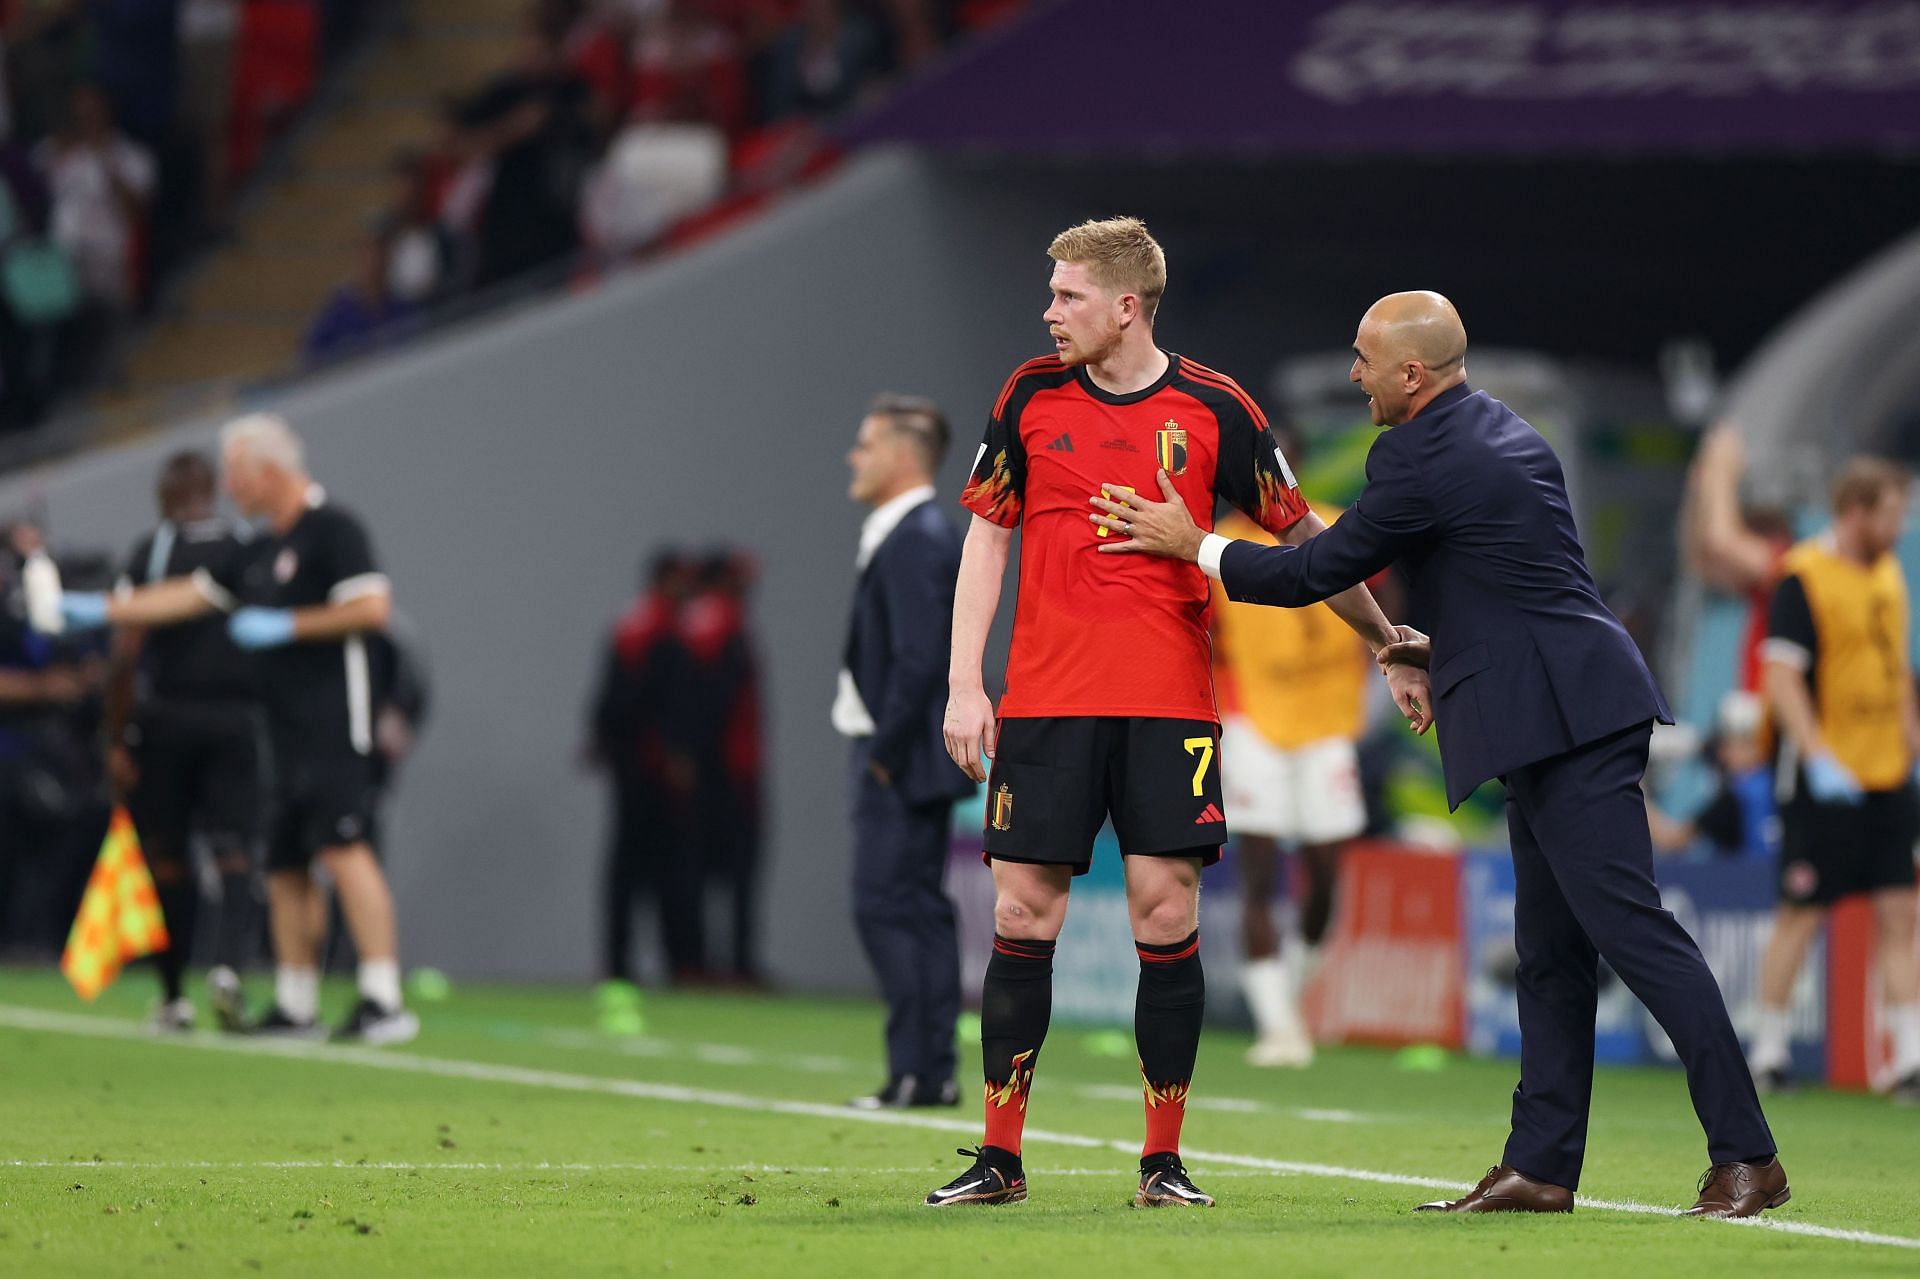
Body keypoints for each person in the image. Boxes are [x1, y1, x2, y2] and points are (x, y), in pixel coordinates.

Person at [1092, 290, 1784, 1219]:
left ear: (1411, 373)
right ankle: (1540, 1167)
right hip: (1563, 701)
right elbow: (1515, 583)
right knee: (1549, 953)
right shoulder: (1502, 430)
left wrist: (1197, 544)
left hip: (1567, 715)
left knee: (1633, 932)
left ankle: (1748, 1158)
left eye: (1364, 358)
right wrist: (1429, 649)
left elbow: (1310, 571)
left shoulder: (1420, 455)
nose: (1353, 374)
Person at [929, 218, 1429, 1211]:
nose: (1050, 311)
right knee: (1025, 914)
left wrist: (1383, 636)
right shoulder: (1028, 395)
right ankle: (999, 1154)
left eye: (1067, 295)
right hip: (1048, 703)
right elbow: (988, 539)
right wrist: (965, 683)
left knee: (1168, 913)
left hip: (1168, 710)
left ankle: (1163, 1159)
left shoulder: (1215, 409)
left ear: (1126, 305)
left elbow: (1306, 537)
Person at [48, 413, 418, 1045]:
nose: (229, 486)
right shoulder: (258, 546)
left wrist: (289, 626)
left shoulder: (333, 529)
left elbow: (371, 607)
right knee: (284, 863)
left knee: (342, 848)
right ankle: (297, 1003)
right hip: (277, 727)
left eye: (236, 473)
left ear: (268, 471)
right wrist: (105, 609)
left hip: (334, 721)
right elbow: (188, 596)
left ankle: (383, 997)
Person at [1750, 458, 1920, 1102]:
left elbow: (1896, 667)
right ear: (1857, 511)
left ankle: (1909, 1061)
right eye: (1892, 513)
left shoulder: (1889, 573)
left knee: (1901, 911)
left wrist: (1911, 743)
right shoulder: (1804, 577)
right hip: (1823, 776)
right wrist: (1817, 754)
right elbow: (1782, 676)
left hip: (1886, 774)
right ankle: (1768, 1050)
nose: (1899, 526)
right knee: (1802, 911)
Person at [1210, 427, 1373, 1069]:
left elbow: (1381, 599)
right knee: (1259, 873)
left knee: (1328, 869)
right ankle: (1275, 1024)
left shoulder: (1336, 529)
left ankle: (1294, 1004)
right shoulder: (1222, 541)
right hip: (1254, 719)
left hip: (1328, 721)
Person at [836, 393, 972, 1110]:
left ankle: (921, 1069)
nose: (854, 458)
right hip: (900, 752)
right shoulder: (910, 531)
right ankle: (924, 1069)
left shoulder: (917, 535)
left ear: (897, 451)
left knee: (891, 904)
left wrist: (885, 750)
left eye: (864, 443)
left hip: (899, 757)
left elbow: (921, 658)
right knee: (909, 905)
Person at [102, 451, 265, 1032]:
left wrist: (117, 737)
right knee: (236, 851)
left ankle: (173, 996)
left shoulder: (154, 551)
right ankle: (227, 967)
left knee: (167, 859)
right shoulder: (249, 547)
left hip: (167, 718)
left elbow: (126, 650)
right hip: (237, 718)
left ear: (164, 495)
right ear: (212, 491)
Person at [588, 550, 703, 993]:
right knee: (662, 867)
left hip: (632, 765)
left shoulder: (633, 624)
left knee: (629, 868)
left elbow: (609, 696)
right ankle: (673, 961)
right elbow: (656, 701)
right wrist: (676, 755)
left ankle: (626, 960)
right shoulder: (657, 629)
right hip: (648, 767)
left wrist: (600, 739)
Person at [1644, 690, 1777, 861]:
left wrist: (1637, 788)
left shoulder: (1735, 799)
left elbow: (1671, 840)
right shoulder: (1783, 785)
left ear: (1750, 744)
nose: (1722, 754)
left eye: (1728, 744)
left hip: (1745, 884)